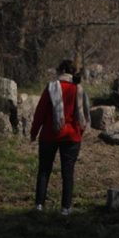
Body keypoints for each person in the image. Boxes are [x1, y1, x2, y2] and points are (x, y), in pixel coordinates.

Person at [30, 59, 90, 215]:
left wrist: (33, 132)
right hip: (72, 135)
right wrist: (80, 133)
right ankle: (66, 208)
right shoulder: (78, 89)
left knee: (44, 170)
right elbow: (84, 114)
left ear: (60, 70)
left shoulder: (51, 88)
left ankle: (39, 205)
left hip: (50, 134)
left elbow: (40, 113)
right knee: (68, 173)